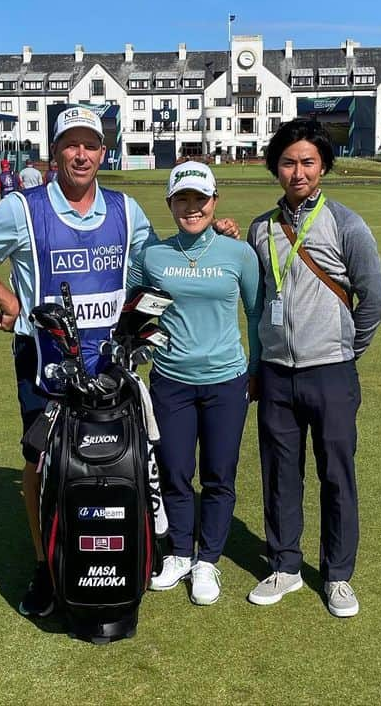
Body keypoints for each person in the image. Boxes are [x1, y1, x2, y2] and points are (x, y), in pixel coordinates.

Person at [0, 105, 239, 619]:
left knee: (116, 462)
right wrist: (11, 304)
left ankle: (126, 551)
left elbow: (159, 262)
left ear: (103, 152)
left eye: (90, 144)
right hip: (46, 361)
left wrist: (218, 235)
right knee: (41, 463)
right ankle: (46, 566)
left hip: (111, 363)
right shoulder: (23, 208)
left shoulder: (126, 210)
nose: (80, 154)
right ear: (56, 151)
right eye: (70, 144)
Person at [246, 118, 381, 618]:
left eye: (307, 161)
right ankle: (284, 563)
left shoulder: (346, 223)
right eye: (288, 162)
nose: (298, 171)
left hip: (331, 371)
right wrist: (258, 362)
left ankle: (337, 575)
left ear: (323, 166)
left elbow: (373, 299)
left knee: (336, 474)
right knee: (280, 472)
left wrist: (348, 351)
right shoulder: (261, 228)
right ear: (275, 169)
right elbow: (258, 299)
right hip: (277, 373)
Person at [129, 161, 259, 606]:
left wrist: (256, 368)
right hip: (171, 382)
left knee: (219, 475)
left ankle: (209, 561)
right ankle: (181, 553)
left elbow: (256, 315)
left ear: (214, 202)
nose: (191, 208)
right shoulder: (153, 255)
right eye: (182, 199)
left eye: (199, 200)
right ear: (169, 203)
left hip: (226, 380)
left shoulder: (238, 253)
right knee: (174, 471)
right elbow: (134, 310)